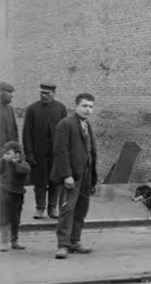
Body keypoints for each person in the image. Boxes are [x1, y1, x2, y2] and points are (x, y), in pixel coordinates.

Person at [52, 93, 98, 259]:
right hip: (71, 175)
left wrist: (92, 177)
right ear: (76, 106)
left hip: (86, 174)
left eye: (91, 107)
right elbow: (60, 151)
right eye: (85, 106)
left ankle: (74, 242)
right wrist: (66, 175)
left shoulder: (87, 125)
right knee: (67, 209)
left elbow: (91, 151)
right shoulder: (65, 124)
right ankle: (63, 245)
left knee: (81, 210)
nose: (88, 109)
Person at [23, 82, 67, 220]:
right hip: (38, 152)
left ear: (53, 94)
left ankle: (52, 208)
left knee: (55, 181)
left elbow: (66, 132)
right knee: (40, 181)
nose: (44, 96)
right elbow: (27, 133)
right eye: (41, 93)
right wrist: (29, 153)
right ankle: (40, 208)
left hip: (56, 153)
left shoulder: (60, 108)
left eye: (47, 94)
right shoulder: (32, 109)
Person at [1, 141, 30, 252]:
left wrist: (13, 162)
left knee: (16, 218)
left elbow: (23, 170)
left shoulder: (23, 164)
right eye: (6, 152)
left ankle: (14, 240)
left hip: (17, 194)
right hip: (4, 192)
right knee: (4, 217)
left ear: (17, 153)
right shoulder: (4, 163)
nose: (7, 154)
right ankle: (4, 241)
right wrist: (3, 160)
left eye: (10, 152)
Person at [0, 82, 18, 148]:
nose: (12, 95)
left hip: (9, 152)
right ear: (1, 92)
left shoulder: (10, 109)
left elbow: (15, 131)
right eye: (10, 92)